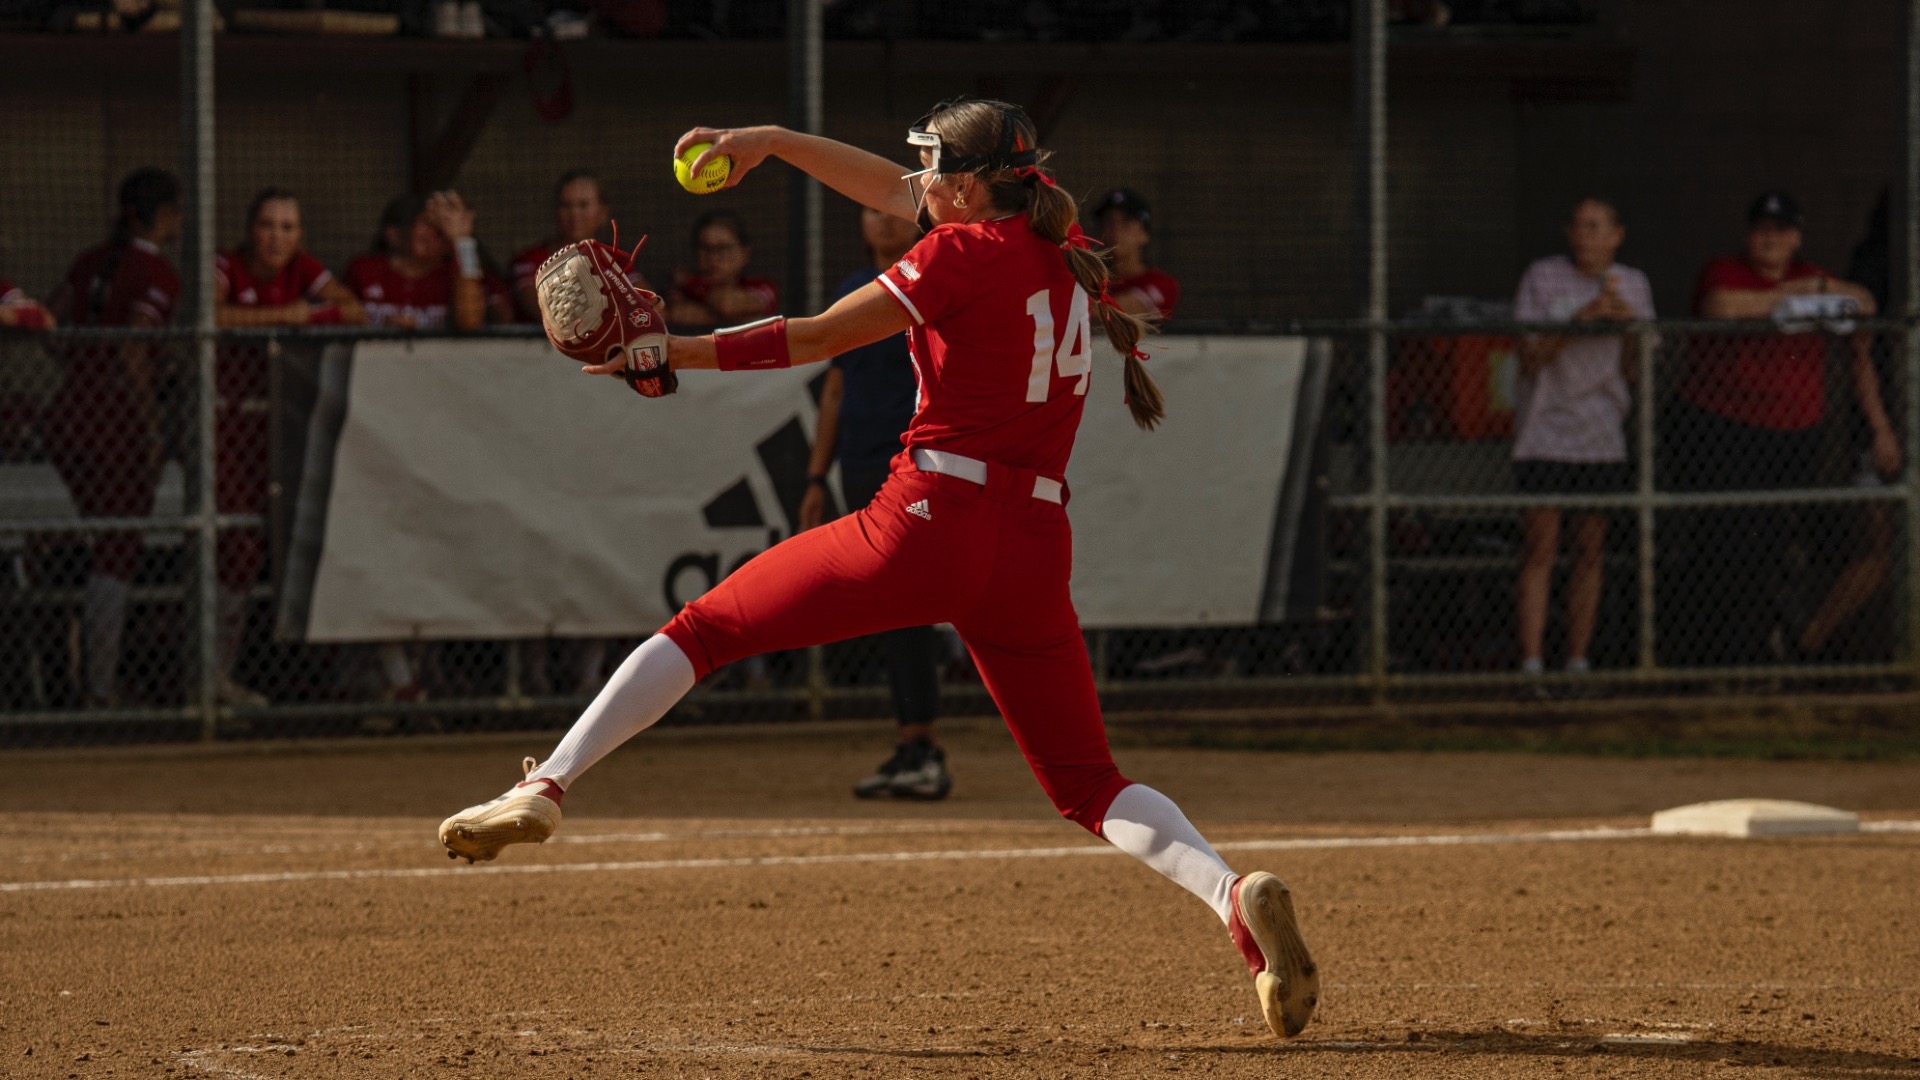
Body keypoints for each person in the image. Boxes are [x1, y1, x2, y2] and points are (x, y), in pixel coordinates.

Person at [439, 98, 1319, 1041]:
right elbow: (896, 191)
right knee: (1088, 783)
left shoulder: (958, 251)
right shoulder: (1049, 239)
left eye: (934, 167)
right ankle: (1233, 899)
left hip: (931, 520)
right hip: (1033, 540)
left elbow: (819, 336)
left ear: (970, 187)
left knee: (706, 629)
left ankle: (545, 787)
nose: (918, 181)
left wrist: (673, 351)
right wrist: (772, 143)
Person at [1664, 191, 1876, 666]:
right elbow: (1721, 306)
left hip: (1791, 436)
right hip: (1719, 430)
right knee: (1725, 538)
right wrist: (1794, 298)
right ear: (1748, 234)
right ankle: (1704, 655)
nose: (1770, 239)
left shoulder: (1812, 276)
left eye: (1781, 231)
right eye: (1762, 229)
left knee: (1772, 542)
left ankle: (1758, 651)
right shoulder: (1725, 270)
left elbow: (1863, 302)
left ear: (1796, 237)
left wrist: (1819, 290)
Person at [798, 206, 950, 799]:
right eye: (870, 211)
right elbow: (835, 389)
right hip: (860, 467)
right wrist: (817, 476)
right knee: (895, 607)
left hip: (913, 468)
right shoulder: (851, 291)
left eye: (893, 210)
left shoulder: (931, 283)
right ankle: (914, 746)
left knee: (907, 605)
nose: (883, 221)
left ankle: (922, 749)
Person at [346, 191, 512, 702]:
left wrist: (463, 245)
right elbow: (337, 314)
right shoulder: (365, 270)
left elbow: (471, 320)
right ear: (394, 231)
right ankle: (394, 678)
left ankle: (420, 673)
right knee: (379, 549)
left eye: (443, 229)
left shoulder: (454, 273)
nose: (433, 236)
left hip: (441, 434)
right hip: (372, 434)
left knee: (434, 553)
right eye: (426, 225)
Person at [211, 188, 367, 706]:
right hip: (223, 428)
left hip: (279, 433)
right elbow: (211, 314)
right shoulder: (227, 266)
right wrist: (294, 316)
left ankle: (231, 673)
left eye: (287, 227)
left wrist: (308, 311)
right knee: (235, 545)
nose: (276, 238)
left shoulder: (303, 268)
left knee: (290, 541)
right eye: (266, 225)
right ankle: (208, 677)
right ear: (249, 229)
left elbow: (352, 309)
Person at [41, 167, 182, 707]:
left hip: (68, 411)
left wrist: (80, 364)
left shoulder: (90, 259)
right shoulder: (157, 271)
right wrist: (151, 426)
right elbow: (134, 348)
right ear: (164, 215)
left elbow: (49, 321)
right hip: (114, 420)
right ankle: (100, 689)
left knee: (107, 543)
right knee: (118, 550)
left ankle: (92, 677)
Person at [1509, 198, 1653, 683]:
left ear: (1617, 236)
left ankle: (1578, 660)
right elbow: (1530, 358)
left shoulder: (1633, 283)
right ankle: (1532, 663)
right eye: (1577, 227)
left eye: (1595, 227)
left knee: (1589, 551)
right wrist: (1579, 321)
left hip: (1600, 435)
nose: (1584, 236)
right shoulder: (1542, 276)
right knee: (1540, 548)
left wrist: (1628, 327)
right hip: (1544, 433)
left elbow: (1635, 371)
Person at [1793, 192, 1901, 661]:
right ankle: (1806, 642)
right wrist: (1881, 429)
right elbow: (1861, 356)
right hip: (1888, 428)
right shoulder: (1877, 265)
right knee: (1880, 552)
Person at [509, 170, 652, 323]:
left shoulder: (617, 260)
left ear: (602, 212)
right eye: (566, 205)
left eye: (583, 205)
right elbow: (547, 313)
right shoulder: (529, 261)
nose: (574, 213)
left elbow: (650, 309)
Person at [665, 210, 778, 326]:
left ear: (744, 253)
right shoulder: (681, 290)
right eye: (705, 248)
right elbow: (675, 315)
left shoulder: (763, 287)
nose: (713, 257)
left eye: (723, 248)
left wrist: (690, 282)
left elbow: (727, 306)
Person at [1087, 188, 1178, 320]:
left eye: (1126, 222)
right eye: (1108, 222)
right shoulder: (1091, 283)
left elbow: (1120, 310)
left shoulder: (1161, 284)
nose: (1115, 229)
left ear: (1144, 234)